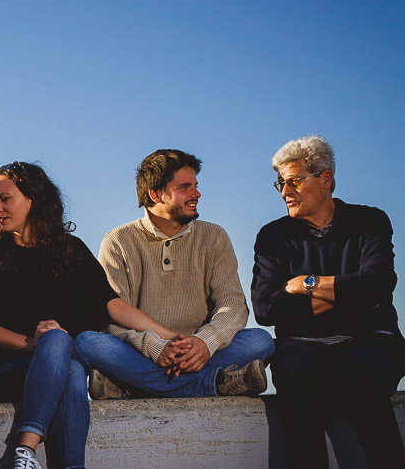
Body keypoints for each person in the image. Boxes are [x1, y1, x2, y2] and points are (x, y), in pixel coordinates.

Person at [0, 162, 181, 469]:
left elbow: (113, 305)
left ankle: (28, 455)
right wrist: (32, 344)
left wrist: (169, 337)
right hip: (7, 366)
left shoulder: (70, 250)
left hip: (61, 364)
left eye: (5, 199)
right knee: (59, 347)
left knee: (67, 360)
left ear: (34, 200)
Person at [252, 135, 405, 469]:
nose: (285, 192)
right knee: (293, 371)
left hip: (371, 338)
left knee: (359, 375)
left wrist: (306, 284)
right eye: (280, 183)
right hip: (303, 345)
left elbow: (379, 286)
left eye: (294, 181)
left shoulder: (369, 221)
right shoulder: (273, 236)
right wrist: (347, 294)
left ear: (325, 179)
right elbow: (266, 308)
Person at [77, 149, 274, 399]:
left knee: (260, 341)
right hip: (143, 351)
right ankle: (213, 384)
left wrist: (206, 342)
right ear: (156, 194)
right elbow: (114, 318)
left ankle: (135, 386)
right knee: (90, 342)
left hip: (201, 351)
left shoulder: (214, 237)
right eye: (185, 187)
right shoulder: (118, 241)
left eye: (196, 186)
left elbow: (233, 305)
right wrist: (156, 347)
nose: (197, 194)